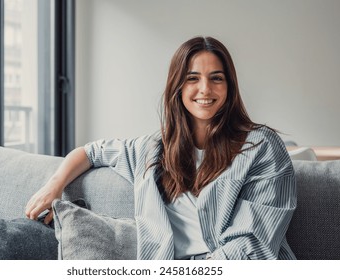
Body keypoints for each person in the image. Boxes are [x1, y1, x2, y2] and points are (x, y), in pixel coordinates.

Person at [25, 36, 297, 260]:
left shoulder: (261, 147)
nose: (205, 89)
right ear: (177, 86)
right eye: (192, 78)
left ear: (230, 86)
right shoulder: (151, 150)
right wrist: (54, 186)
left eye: (217, 78)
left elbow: (252, 246)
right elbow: (91, 152)